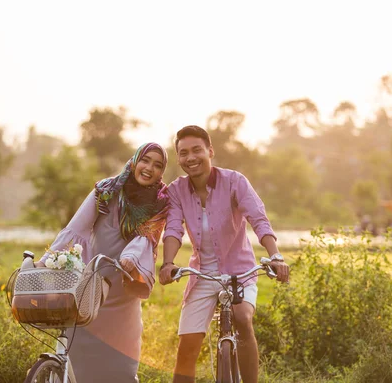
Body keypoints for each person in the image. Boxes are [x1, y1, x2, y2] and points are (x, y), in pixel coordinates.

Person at [159, 125, 290, 383]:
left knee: (242, 318)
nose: (191, 157)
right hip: (202, 275)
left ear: (210, 151)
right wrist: (168, 263)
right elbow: (173, 229)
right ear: (179, 158)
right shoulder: (176, 191)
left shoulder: (235, 182)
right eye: (184, 153)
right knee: (187, 348)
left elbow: (258, 219)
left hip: (239, 271)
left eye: (197, 150)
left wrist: (275, 256)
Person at [35, 142, 169, 383]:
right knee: (75, 361)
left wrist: (130, 258)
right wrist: (45, 261)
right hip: (90, 287)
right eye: (145, 160)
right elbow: (76, 228)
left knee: (119, 368)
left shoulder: (160, 202)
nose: (149, 168)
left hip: (123, 293)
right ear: (135, 161)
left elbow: (146, 237)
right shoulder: (106, 190)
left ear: (162, 173)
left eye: (158, 165)